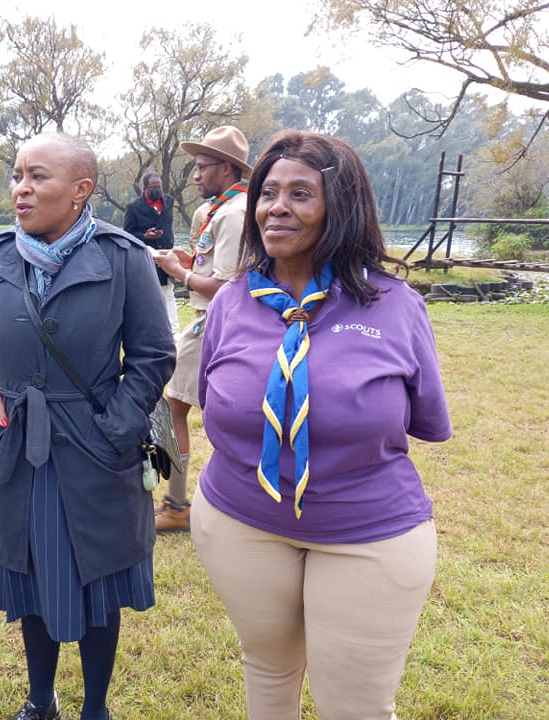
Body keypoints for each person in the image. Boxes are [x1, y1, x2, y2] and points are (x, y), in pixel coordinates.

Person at [190, 129, 452, 719]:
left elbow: (425, 418)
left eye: (301, 193)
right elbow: (214, 402)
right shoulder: (231, 301)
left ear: (342, 207)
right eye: (268, 193)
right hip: (240, 523)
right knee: (267, 670)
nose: (276, 207)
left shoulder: (396, 306)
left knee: (355, 707)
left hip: (368, 535)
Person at [0, 133, 175, 720]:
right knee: (30, 578)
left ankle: (96, 708)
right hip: (13, 445)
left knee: (99, 580)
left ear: (80, 190)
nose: (20, 189)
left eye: (37, 177)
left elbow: (153, 355)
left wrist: (116, 428)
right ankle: (40, 700)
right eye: (18, 175)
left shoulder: (123, 258)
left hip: (95, 451)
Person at [152, 125, 250, 532]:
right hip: (214, 321)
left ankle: (177, 505)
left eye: (203, 166)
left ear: (226, 168)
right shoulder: (221, 210)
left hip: (216, 323)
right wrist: (190, 262)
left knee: (173, 405)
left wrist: (179, 273)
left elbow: (228, 287)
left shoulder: (234, 214)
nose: (195, 175)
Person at [123, 172, 178, 333]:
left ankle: (174, 331)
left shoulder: (169, 201)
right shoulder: (134, 207)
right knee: (148, 294)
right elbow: (127, 234)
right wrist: (145, 236)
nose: (157, 190)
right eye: (153, 187)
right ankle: (150, 329)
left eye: (158, 187)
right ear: (145, 188)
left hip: (166, 253)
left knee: (168, 291)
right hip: (146, 256)